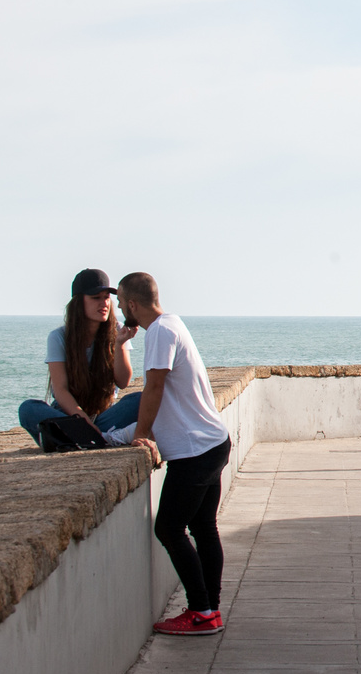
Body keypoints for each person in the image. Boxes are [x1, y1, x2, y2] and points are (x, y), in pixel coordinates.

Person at [115, 271, 232, 637]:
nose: (119, 309)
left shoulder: (161, 333)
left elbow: (154, 386)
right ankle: (209, 609)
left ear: (133, 304)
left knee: (168, 527)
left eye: (121, 303)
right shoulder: (172, 323)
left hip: (195, 450)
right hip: (213, 442)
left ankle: (202, 611)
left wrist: (141, 434)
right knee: (202, 527)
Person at [18, 269, 141, 446]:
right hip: (69, 415)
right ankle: (90, 437)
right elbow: (60, 390)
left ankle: (72, 439)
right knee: (28, 409)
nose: (104, 303)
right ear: (78, 302)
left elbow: (123, 382)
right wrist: (84, 422)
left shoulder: (117, 330)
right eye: (95, 298)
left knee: (139, 400)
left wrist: (120, 344)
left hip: (102, 416)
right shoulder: (58, 337)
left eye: (106, 297)